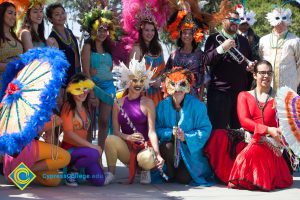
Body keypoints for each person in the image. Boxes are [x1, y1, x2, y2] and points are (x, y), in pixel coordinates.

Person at [228, 60, 293, 191]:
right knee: (220, 137)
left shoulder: (280, 98)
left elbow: (285, 122)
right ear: (254, 75)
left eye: (269, 73)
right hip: (248, 139)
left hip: (271, 142)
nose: (266, 76)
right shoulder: (244, 95)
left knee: (256, 150)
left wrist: (282, 129)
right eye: (262, 72)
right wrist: (268, 129)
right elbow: (244, 121)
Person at [104, 57, 164, 185]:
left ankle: (145, 170)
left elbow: (152, 132)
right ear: (127, 81)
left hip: (143, 149)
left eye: (142, 81)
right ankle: (111, 173)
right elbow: (115, 131)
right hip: (126, 149)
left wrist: (157, 154)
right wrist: (128, 137)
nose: (138, 84)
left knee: (148, 157)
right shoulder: (118, 103)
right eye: (135, 80)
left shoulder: (148, 103)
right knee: (109, 139)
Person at [165, 2, 236, 100]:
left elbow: (203, 80)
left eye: (190, 33)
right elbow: (166, 76)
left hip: (192, 98)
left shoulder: (199, 55)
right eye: (185, 33)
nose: (187, 36)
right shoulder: (173, 55)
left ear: (195, 35)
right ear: (180, 35)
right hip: (174, 97)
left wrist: (200, 99)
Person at [156, 68, 213, 185]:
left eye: (182, 84)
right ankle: (170, 172)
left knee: (183, 179)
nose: (177, 89)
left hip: (190, 152)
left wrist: (186, 137)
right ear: (167, 86)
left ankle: (180, 172)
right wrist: (169, 133)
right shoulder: (161, 106)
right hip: (170, 148)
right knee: (166, 146)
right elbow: (156, 128)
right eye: (173, 84)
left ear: (188, 85)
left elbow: (205, 129)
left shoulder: (198, 106)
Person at [205, 11, 254, 129]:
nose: (235, 23)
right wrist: (221, 48)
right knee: (218, 131)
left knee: (238, 131)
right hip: (219, 93)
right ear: (223, 20)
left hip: (240, 93)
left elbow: (250, 60)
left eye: (237, 20)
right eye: (231, 19)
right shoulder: (213, 39)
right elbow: (206, 60)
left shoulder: (243, 41)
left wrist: (251, 67)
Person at [80, 7, 117, 152]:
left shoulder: (108, 47)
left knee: (103, 122)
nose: (102, 33)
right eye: (99, 29)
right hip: (93, 86)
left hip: (108, 88)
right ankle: (89, 154)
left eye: (105, 30)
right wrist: (92, 93)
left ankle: (99, 155)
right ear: (93, 29)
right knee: (89, 124)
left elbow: (109, 68)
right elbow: (85, 71)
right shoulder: (88, 46)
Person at [61, 73, 105, 186]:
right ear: (72, 90)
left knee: (99, 180)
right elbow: (69, 133)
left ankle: (82, 169)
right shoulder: (68, 107)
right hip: (69, 150)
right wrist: (92, 146)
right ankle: (72, 170)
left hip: (84, 150)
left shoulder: (86, 106)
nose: (82, 93)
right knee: (94, 153)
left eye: (85, 89)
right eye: (78, 89)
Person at [4, 117, 71, 187]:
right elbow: (28, 132)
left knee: (54, 179)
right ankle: (22, 173)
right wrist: (52, 124)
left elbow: (52, 142)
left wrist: (50, 134)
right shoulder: (32, 110)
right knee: (65, 157)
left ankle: (23, 173)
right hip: (23, 148)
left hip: (18, 158)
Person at [123, 2, 165, 106]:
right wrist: (149, 82)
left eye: (152, 30)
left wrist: (160, 79)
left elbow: (163, 70)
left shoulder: (159, 48)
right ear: (141, 31)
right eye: (146, 30)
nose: (149, 33)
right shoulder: (137, 49)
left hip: (158, 95)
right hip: (140, 95)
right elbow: (131, 76)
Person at [259, 7, 300, 93]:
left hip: (288, 87)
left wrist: (294, 83)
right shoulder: (263, 40)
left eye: (284, 18)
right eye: (277, 18)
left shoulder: (295, 40)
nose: (281, 22)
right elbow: (261, 60)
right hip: (267, 86)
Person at [46, 2, 80, 85]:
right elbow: (55, 66)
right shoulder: (51, 39)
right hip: (64, 81)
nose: (61, 16)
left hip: (77, 76)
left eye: (63, 13)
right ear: (50, 19)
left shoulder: (70, 32)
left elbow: (76, 54)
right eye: (57, 14)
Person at [0, 2, 23, 91]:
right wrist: (13, 66)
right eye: (10, 13)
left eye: (15, 14)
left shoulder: (15, 36)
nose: (13, 17)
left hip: (17, 83)